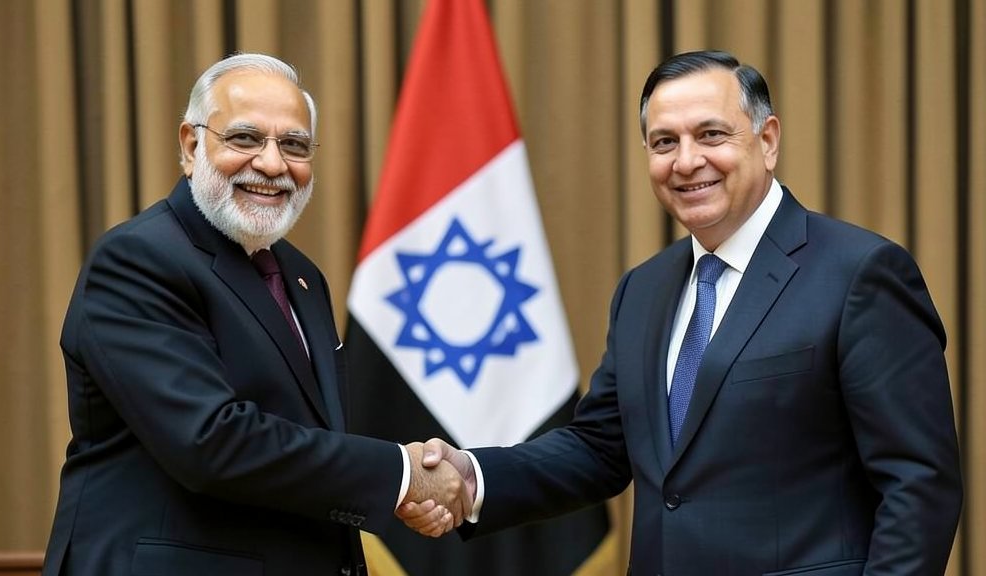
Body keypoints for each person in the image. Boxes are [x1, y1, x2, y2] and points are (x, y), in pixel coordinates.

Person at [399, 50, 963, 575]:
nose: (687, 161)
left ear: (768, 141)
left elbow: (918, 484)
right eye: (664, 142)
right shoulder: (643, 290)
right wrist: (470, 478)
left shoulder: (861, 273)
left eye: (711, 134)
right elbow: (600, 448)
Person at [43, 53, 467, 576]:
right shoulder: (138, 259)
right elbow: (211, 441)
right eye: (245, 138)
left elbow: (312, 435)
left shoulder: (302, 276)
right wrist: (402, 475)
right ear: (191, 145)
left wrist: (402, 480)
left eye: (293, 144)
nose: (271, 164)